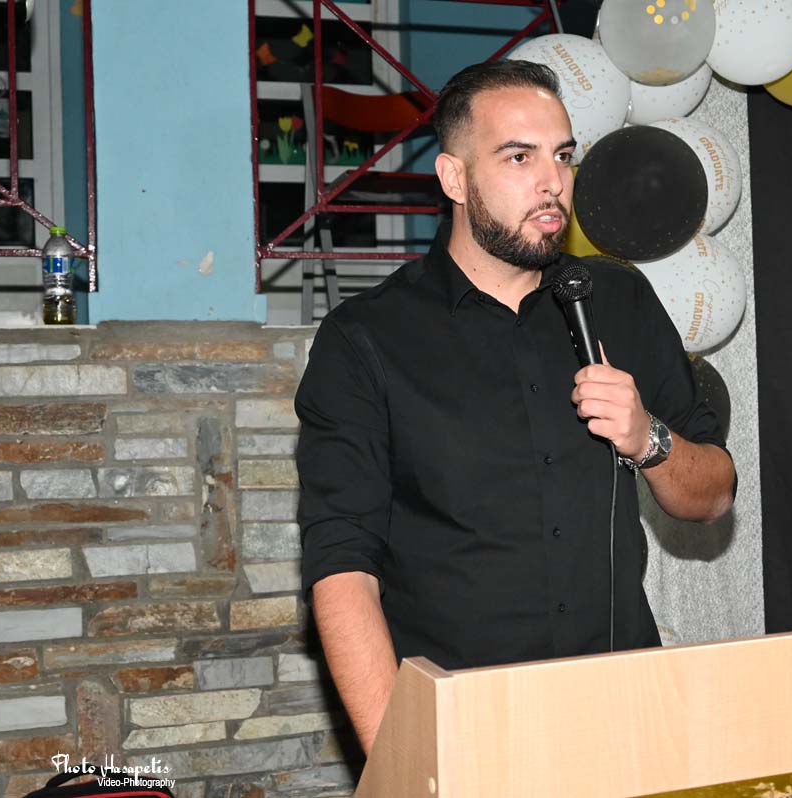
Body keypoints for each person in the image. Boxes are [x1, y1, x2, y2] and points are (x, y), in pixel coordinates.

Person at [294, 59, 737, 754]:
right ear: (454, 178)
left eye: (563, 155)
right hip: (466, 731)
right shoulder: (366, 340)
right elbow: (342, 570)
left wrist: (647, 438)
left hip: (625, 717)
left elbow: (712, 496)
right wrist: (402, 767)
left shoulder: (618, 301)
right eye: (519, 157)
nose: (551, 181)